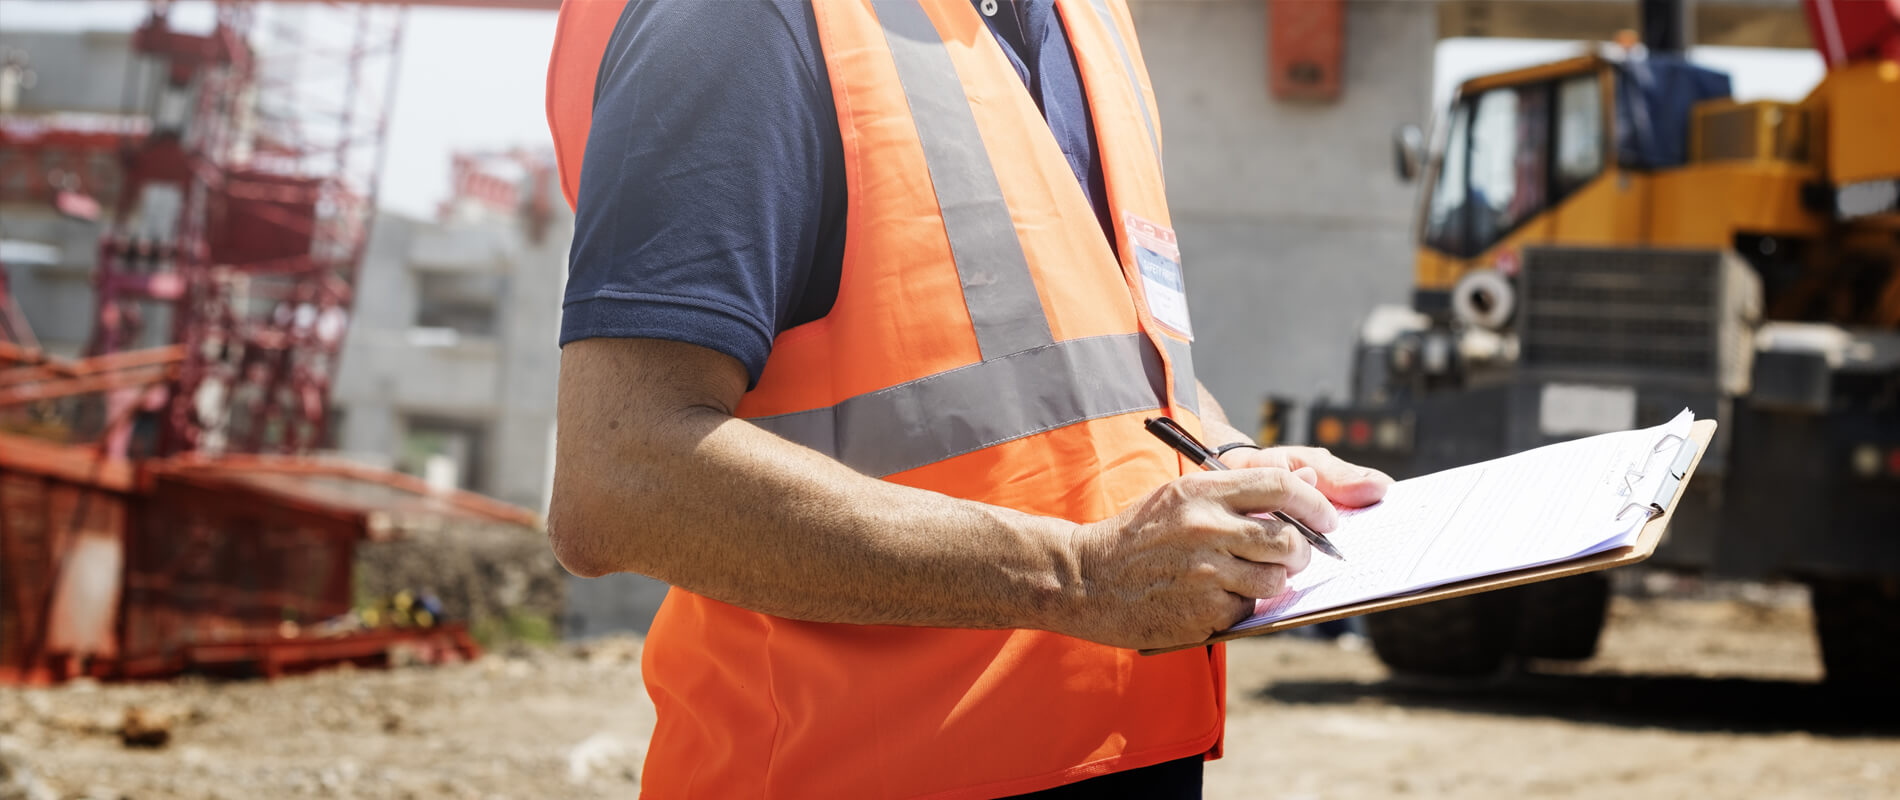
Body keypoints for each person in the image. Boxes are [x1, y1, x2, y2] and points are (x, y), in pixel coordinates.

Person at [543, 1, 1391, 796]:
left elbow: (1101, 366)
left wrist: (1229, 457)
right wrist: (1078, 576)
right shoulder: (748, 25)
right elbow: (618, 478)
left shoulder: (1086, 20)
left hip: (1117, 751)